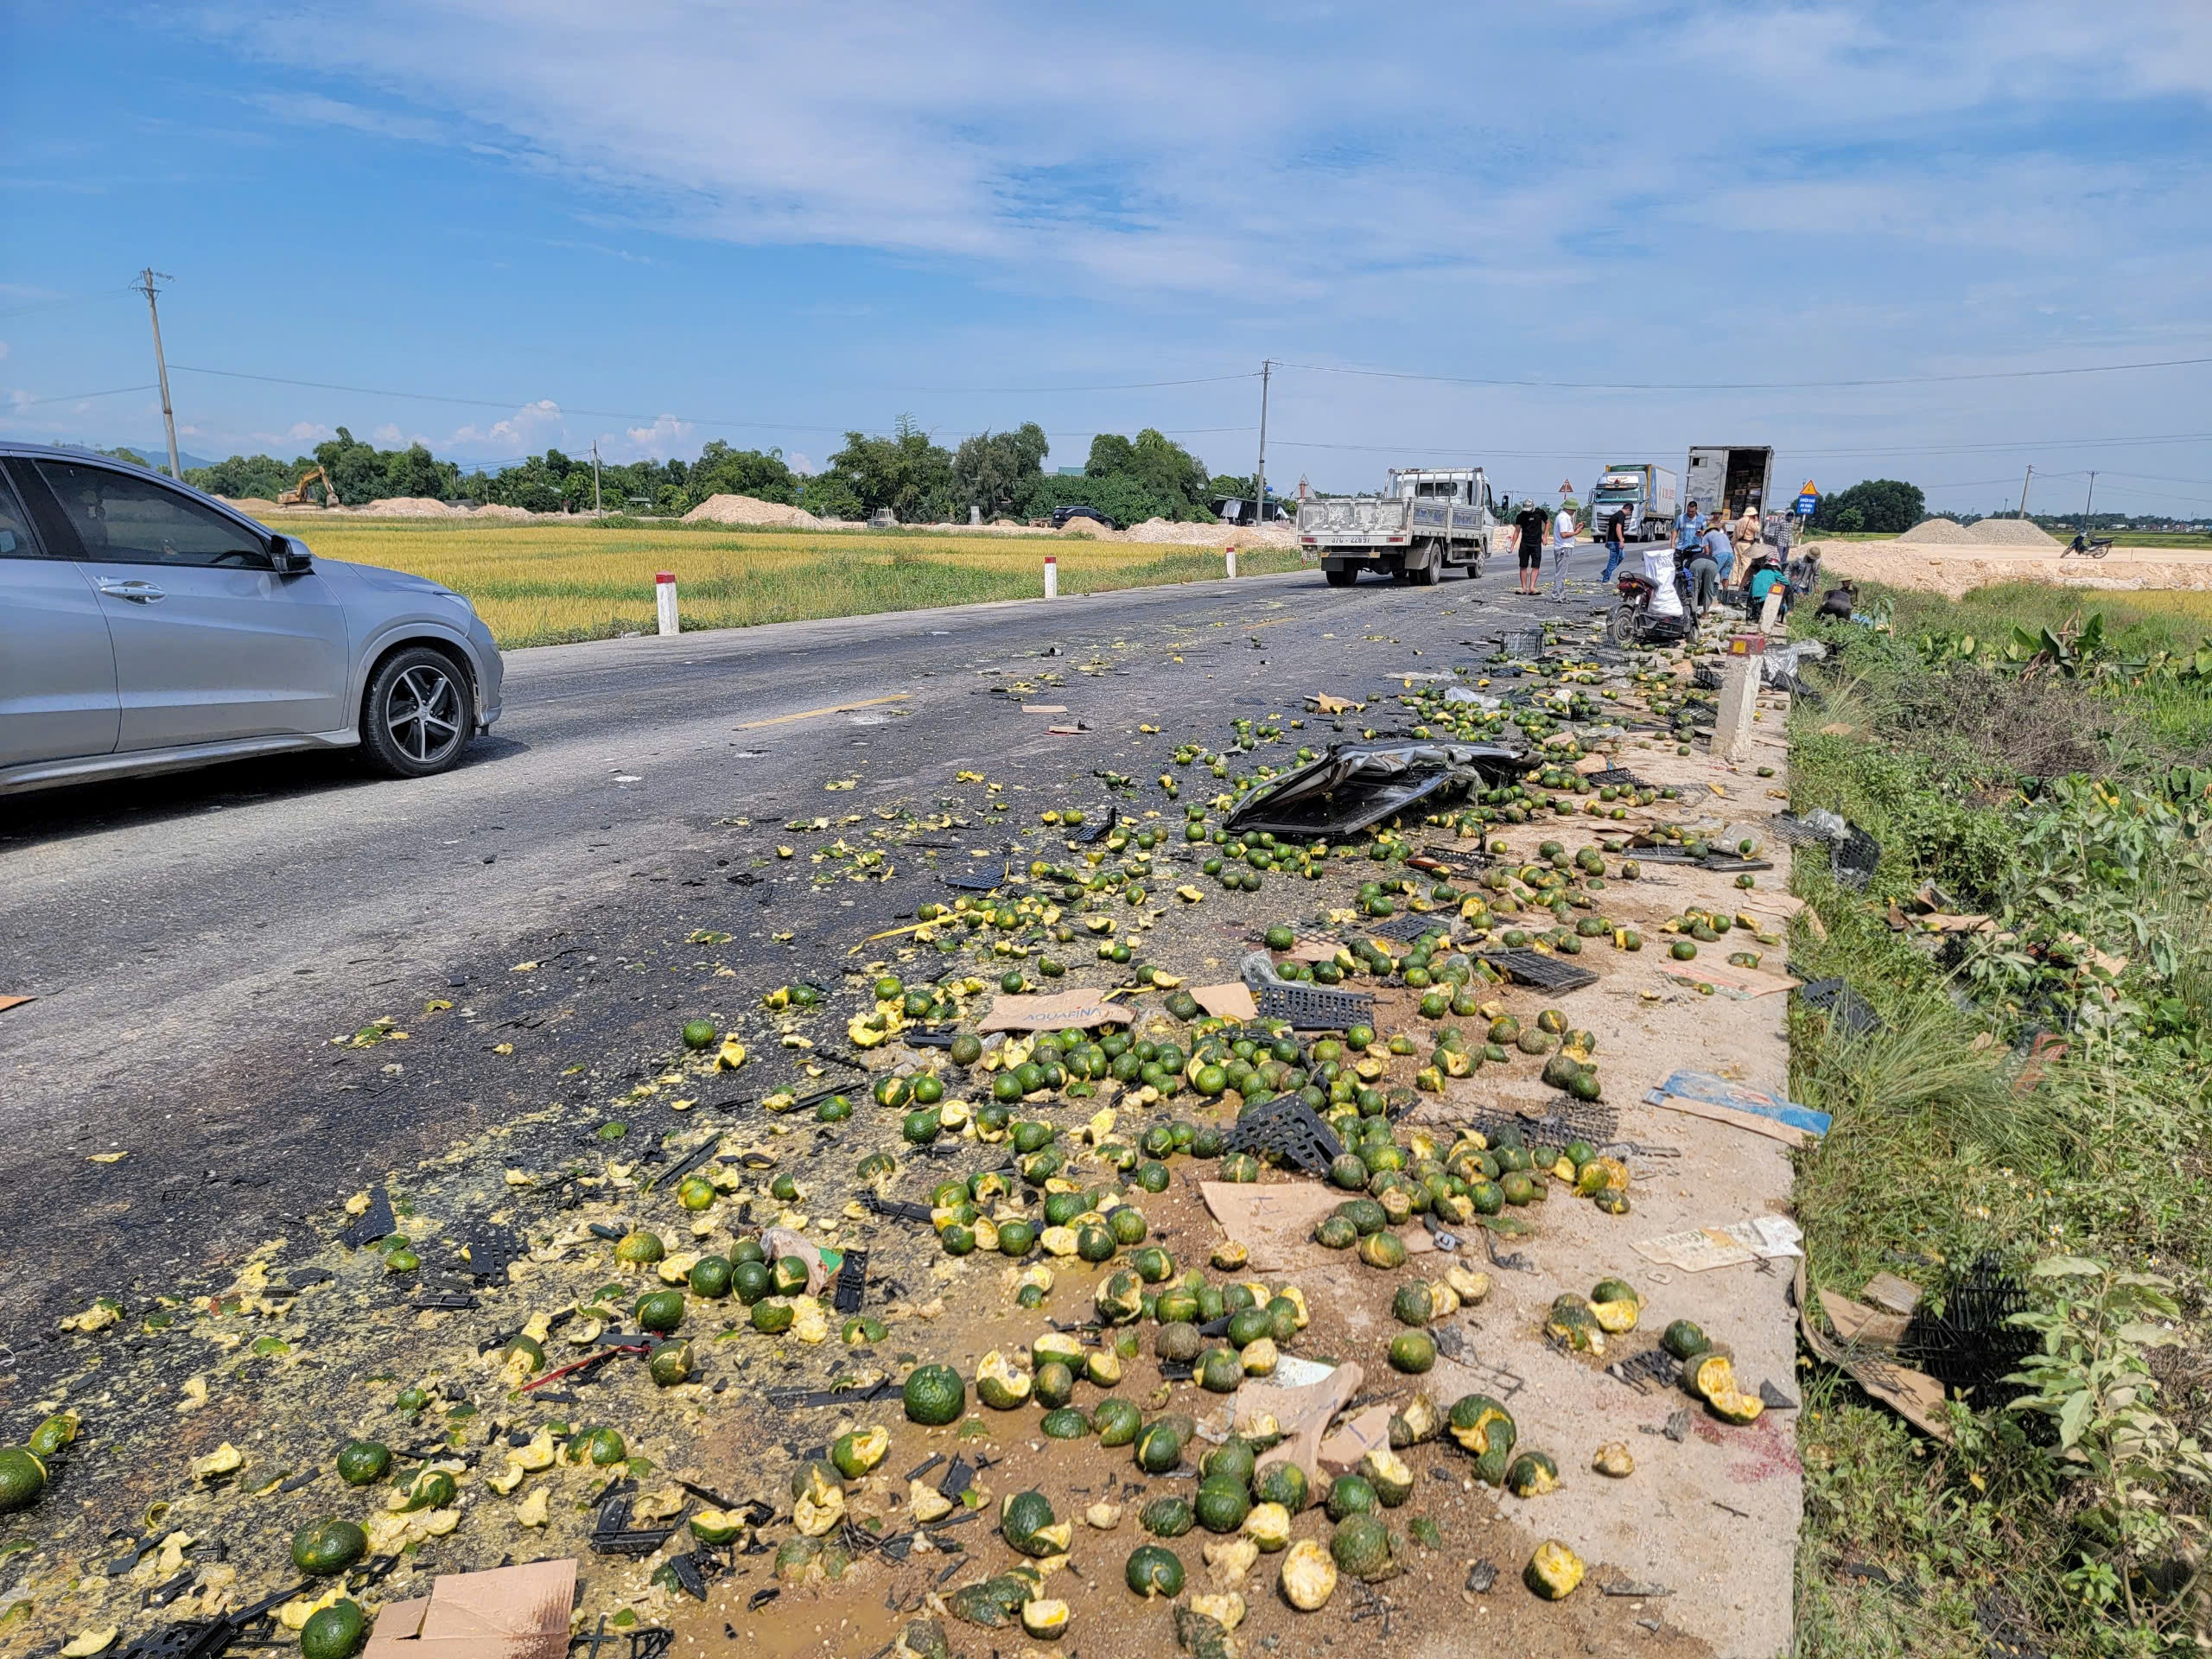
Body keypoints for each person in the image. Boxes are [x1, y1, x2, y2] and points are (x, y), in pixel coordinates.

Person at [1513, 497, 1549, 595]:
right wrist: (1512, 545)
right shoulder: (1520, 516)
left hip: (1536, 543)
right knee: (1523, 566)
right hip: (1525, 543)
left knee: (1536, 566)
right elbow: (1516, 531)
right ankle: (1524, 588)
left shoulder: (1540, 513)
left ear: (1533, 507)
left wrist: (1545, 536)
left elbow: (1547, 522)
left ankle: (1532, 587)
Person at [1549, 501, 1579, 598]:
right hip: (1563, 547)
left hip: (1564, 547)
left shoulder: (1564, 517)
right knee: (1561, 573)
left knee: (1562, 573)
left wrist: (1575, 530)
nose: (1574, 511)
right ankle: (1557, 595)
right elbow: (1564, 534)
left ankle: (1560, 594)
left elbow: (1566, 532)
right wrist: (1576, 533)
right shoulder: (1563, 517)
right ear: (1570, 508)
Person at [1703, 516, 1736, 593]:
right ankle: (1725, 594)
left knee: (1711, 574)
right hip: (1730, 555)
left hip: (1720, 555)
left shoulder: (1707, 535)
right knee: (1725, 577)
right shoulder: (1724, 535)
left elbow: (1707, 553)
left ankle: (1711, 593)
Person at [1599, 512, 1628, 582]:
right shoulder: (1621, 516)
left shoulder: (1613, 516)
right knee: (1613, 561)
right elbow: (1618, 528)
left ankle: (1606, 572)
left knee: (1621, 557)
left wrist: (1607, 541)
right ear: (1628, 510)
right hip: (1616, 542)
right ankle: (1605, 580)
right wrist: (1621, 541)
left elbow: (1608, 529)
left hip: (1612, 541)